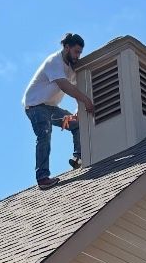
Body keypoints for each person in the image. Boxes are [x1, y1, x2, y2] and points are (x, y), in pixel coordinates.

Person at [22, 33, 95, 188]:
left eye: (80, 53)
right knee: (45, 134)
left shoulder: (71, 68)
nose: (78, 56)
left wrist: (78, 109)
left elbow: (76, 87)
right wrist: (86, 101)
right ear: (66, 47)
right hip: (35, 106)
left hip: (50, 108)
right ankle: (42, 178)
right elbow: (65, 86)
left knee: (76, 123)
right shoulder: (54, 62)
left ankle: (78, 157)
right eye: (76, 52)